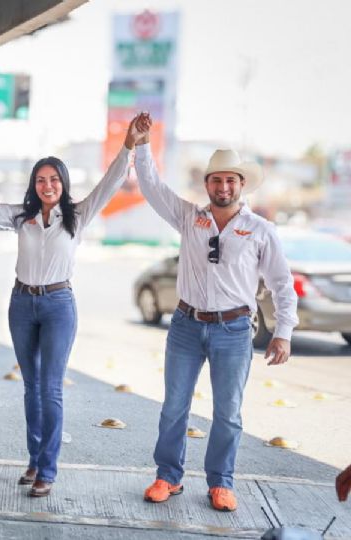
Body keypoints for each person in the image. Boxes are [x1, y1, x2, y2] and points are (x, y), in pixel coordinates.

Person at [0, 120, 141, 497]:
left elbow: (110, 183)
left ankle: (48, 469)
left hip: (59, 304)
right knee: (31, 388)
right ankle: (34, 458)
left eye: (54, 180)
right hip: (22, 304)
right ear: (34, 185)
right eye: (41, 180)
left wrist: (127, 146)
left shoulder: (77, 214)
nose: (47, 186)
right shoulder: (21, 216)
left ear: (62, 183)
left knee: (51, 389)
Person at [133, 113, 298, 512]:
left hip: (234, 329)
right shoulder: (190, 216)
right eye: (216, 180)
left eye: (231, 180)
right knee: (174, 406)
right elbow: (152, 187)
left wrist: (284, 332)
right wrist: (141, 145)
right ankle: (168, 476)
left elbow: (281, 283)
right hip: (186, 325)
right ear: (206, 184)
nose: (223, 187)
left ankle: (220, 482)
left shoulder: (261, 230)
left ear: (241, 185)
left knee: (228, 412)